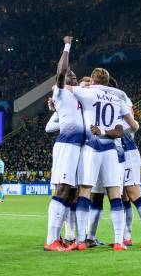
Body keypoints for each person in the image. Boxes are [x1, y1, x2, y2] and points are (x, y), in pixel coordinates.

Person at [61, 47, 140, 251]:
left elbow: (63, 86)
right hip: (111, 151)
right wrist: (107, 132)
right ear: (107, 82)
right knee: (115, 194)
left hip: (91, 148)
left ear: (94, 81)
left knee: (85, 192)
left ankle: (80, 241)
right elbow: (127, 128)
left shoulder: (87, 93)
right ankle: (119, 241)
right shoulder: (117, 99)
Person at [105, 77, 141, 248]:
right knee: (122, 195)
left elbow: (133, 126)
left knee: (133, 194)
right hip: (116, 152)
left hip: (128, 151)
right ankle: (125, 236)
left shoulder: (122, 99)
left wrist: (110, 129)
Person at [44, 37, 85, 252]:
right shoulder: (59, 92)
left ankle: (64, 237)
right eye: (71, 76)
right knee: (62, 189)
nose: (74, 77)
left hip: (78, 147)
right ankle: (51, 239)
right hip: (67, 145)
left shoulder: (78, 96)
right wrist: (67, 47)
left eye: (75, 76)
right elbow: (61, 72)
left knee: (71, 193)